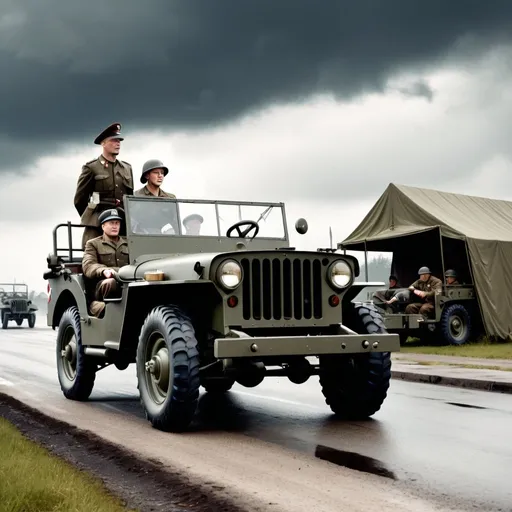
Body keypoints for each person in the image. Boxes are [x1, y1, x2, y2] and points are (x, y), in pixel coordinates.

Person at [74, 123, 134, 248]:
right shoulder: (92, 167)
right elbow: (79, 200)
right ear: (103, 143)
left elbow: (130, 198)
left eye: (119, 141)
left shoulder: (126, 168)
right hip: (98, 222)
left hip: (121, 221)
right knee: (93, 252)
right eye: (113, 140)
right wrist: (92, 218)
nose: (118, 143)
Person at [82, 209, 130, 318]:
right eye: (111, 223)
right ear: (103, 226)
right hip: (102, 284)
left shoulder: (129, 243)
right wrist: (103, 270)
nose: (115, 226)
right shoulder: (93, 244)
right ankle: (109, 310)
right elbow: (88, 265)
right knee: (111, 282)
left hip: (127, 281)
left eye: (117, 223)